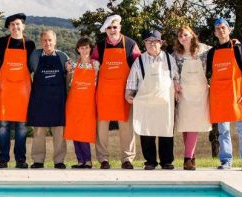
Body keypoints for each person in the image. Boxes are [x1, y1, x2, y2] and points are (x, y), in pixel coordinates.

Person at [206, 18, 242, 171]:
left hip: (237, 95)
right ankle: (226, 160)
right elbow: (208, 74)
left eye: (223, 27)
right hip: (219, 97)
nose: (221, 30)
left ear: (229, 30)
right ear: (215, 33)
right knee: (223, 131)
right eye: (218, 28)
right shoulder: (212, 53)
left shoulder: (239, 49)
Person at [90, 15, 141, 169]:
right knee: (101, 129)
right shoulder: (99, 46)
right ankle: (103, 159)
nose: (112, 30)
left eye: (115, 27)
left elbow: (139, 67)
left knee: (126, 128)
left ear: (120, 27)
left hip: (124, 94)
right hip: (104, 93)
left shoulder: (131, 44)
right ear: (105, 30)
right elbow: (92, 66)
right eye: (109, 28)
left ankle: (127, 159)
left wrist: (135, 91)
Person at [125, 30, 180, 170]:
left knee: (166, 131)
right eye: (148, 41)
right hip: (146, 102)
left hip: (165, 102)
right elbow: (132, 81)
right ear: (144, 44)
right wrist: (128, 94)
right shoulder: (139, 61)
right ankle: (150, 161)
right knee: (146, 131)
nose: (151, 44)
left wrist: (177, 88)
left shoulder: (168, 58)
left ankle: (166, 161)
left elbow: (175, 77)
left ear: (160, 43)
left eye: (155, 41)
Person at [0, 13, 36, 169]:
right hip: (5, 91)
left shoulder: (30, 44)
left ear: (23, 26)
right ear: (8, 28)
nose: (15, 27)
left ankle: (20, 159)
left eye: (18, 24)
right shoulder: (2, 42)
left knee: (22, 127)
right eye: (12, 25)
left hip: (22, 92)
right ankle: (3, 159)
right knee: (3, 127)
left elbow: (31, 66)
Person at [27, 30, 70, 169]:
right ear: (41, 42)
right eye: (45, 40)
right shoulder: (35, 56)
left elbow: (70, 78)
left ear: (55, 41)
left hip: (58, 101)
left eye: (50, 40)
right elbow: (26, 73)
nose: (48, 43)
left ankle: (59, 161)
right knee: (39, 132)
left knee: (59, 132)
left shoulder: (63, 57)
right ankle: (38, 160)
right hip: (40, 100)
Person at [172, 26, 213, 170]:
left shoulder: (205, 50)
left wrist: (235, 42)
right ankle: (192, 156)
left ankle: (187, 158)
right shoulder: (176, 54)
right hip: (183, 93)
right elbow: (173, 71)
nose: (183, 38)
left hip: (200, 93)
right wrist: (175, 83)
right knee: (185, 125)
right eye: (180, 36)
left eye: (185, 35)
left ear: (192, 35)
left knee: (193, 125)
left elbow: (222, 49)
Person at [64, 37, 99, 169]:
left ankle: (88, 160)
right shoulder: (73, 65)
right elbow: (68, 84)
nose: (84, 50)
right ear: (78, 49)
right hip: (73, 103)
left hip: (88, 104)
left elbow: (98, 84)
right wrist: (68, 72)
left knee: (85, 132)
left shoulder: (95, 65)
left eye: (87, 47)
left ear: (91, 49)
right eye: (82, 48)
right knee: (74, 131)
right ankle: (80, 161)